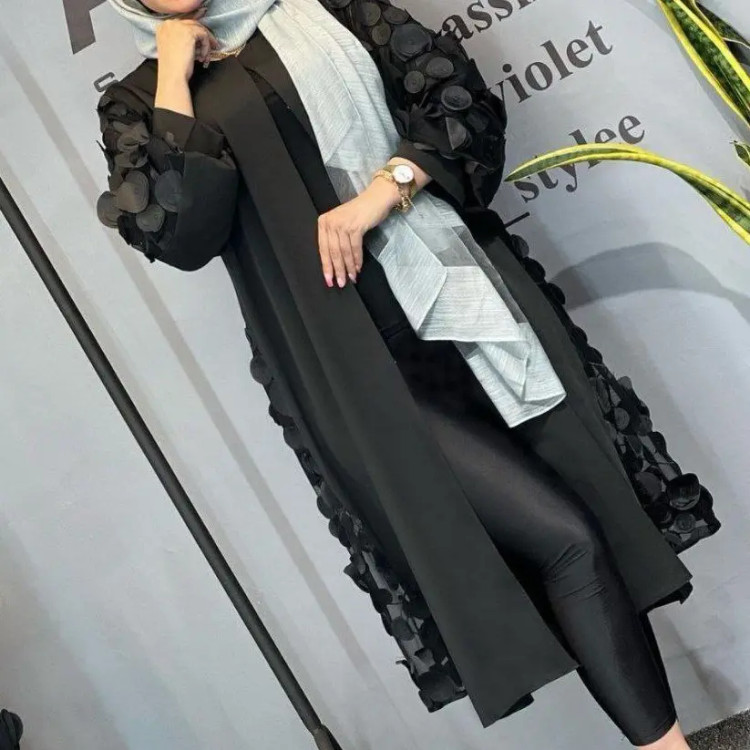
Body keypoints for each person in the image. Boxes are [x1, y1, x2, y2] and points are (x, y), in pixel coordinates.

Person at [96, 1, 721, 746]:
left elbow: (458, 104)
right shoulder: (135, 101)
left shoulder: (329, 9)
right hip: (356, 373)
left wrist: (376, 197)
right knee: (566, 537)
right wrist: (171, 74)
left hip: (466, 311)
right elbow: (178, 232)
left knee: (589, 529)